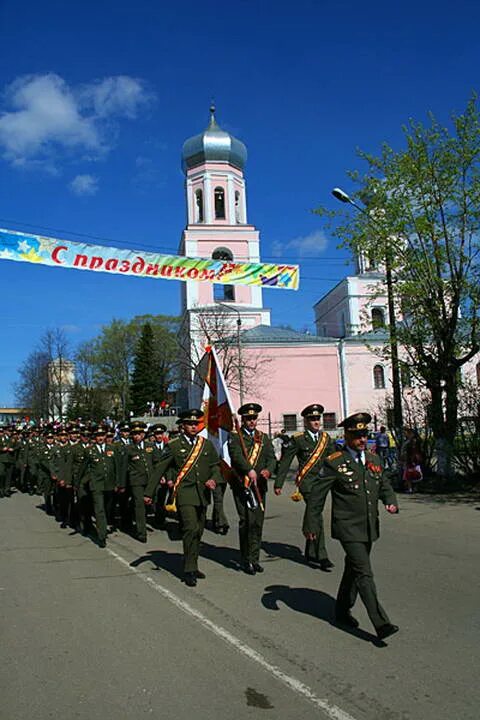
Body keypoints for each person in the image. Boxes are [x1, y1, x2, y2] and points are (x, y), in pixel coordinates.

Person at [304, 412, 399, 640]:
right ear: (347, 436)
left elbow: (383, 483)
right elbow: (317, 496)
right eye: (357, 436)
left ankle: (341, 609)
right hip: (347, 527)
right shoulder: (335, 462)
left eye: (365, 435)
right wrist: (311, 524)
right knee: (364, 573)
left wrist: (390, 501)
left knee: (353, 569)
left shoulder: (374, 459)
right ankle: (381, 623)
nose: (362, 440)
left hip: (368, 526)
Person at [144, 409, 221, 587]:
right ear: (183, 426)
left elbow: (215, 467)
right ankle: (188, 570)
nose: (193, 427)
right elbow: (160, 469)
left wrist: (213, 479)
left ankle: (193, 565)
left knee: (199, 531)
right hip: (184, 494)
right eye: (189, 424)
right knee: (190, 529)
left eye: (196, 424)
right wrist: (148, 493)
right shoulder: (174, 445)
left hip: (202, 494)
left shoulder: (206, 445)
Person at [274, 404, 336, 571]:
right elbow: (286, 461)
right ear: (306, 421)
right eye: (312, 419)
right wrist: (278, 483)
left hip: (322, 483)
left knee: (313, 516)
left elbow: (334, 459)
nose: (316, 422)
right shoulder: (299, 439)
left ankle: (310, 551)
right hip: (307, 484)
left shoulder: (326, 439)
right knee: (316, 516)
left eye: (318, 419)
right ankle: (322, 556)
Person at [228, 403, 276, 574]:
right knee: (246, 522)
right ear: (243, 419)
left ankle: (254, 559)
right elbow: (236, 457)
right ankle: (245, 559)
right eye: (248, 419)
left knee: (257, 522)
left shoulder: (263, 438)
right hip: (243, 485)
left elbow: (271, 457)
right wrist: (249, 470)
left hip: (260, 486)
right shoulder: (235, 437)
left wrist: (268, 470)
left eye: (254, 418)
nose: (251, 421)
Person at [401, 428, 423, 493]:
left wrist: (412, 460)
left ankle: (411, 488)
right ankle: (413, 488)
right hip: (412, 459)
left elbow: (412, 451)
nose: (405, 434)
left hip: (412, 460)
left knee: (411, 474)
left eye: (406, 433)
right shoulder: (412, 441)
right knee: (413, 474)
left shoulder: (412, 441)